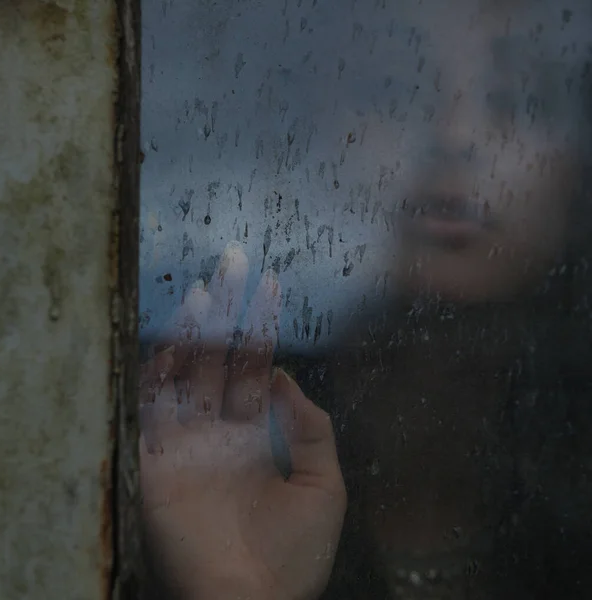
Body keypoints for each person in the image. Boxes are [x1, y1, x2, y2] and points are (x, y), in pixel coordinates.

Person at [139, 1, 592, 598]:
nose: (456, 139)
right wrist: (235, 583)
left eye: (519, 98)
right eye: (393, 88)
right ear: (314, 140)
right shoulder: (193, 448)